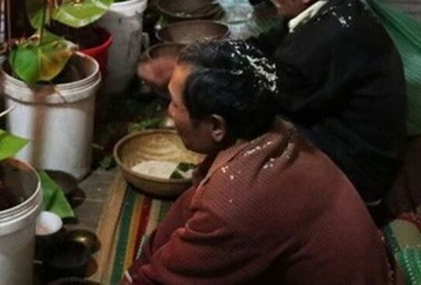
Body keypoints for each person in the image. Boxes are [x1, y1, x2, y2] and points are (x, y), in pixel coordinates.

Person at [124, 40, 399, 285]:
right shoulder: (278, 132)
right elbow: (190, 204)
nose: (169, 112)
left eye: (175, 104)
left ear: (216, 126)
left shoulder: (235, 202)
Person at [251, 0, 407, 207]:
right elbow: (270, 41)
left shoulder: (326, 38)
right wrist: (222, 54)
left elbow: (271, 91)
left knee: (249, 120)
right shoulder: (333, 3)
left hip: (361, 171)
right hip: (354, 140)